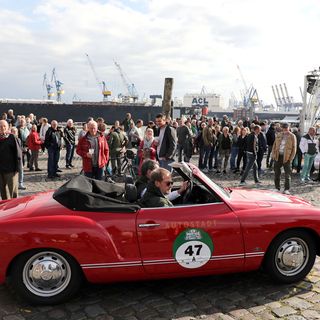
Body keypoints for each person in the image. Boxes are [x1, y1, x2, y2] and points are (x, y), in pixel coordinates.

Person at [271, 122, 297, 194]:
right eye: (284, 128)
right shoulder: (279, 135)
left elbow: (294, 148)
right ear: (282, 128)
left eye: (286, 128)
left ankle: (286, 189)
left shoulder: (292, 136)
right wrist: (273, 154)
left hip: (287, 157)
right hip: (278, 156)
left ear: (289, 128)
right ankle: (277, 188)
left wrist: (291, 158)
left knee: (287, 174)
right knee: (277, 173)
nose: (285, 129)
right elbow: (274, 145)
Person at [0, 120, 22, 199]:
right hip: (0, 170)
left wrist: (18, 169)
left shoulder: (12, 137)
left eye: (4, 126)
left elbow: (18, 154)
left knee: (13, 193)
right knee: (3, 192)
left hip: (11, 170)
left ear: (7, 127)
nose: (2, 128)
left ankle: (15, 209)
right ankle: (5, 210)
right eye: (0, 126)